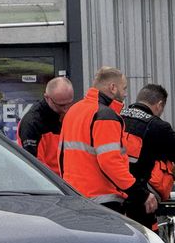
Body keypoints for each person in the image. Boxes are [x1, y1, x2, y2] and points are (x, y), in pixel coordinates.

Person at [58, 67, 157, 215]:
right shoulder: (105, 115)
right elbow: (111, 162)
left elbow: (61, 156)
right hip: (103, 201)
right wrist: (141, 193)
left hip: (75, 197)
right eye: (124, 89)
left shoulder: (74, 111)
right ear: (112, 88)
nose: (125, 94)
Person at [121, 83, 175, 229]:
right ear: (159, 104)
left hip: (115, 196)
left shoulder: (118, 117)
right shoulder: (158, 127)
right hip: (141, 199)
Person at [17, 76, 74, 175]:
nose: (66, 109)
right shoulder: (33, 124)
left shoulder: (70, 114)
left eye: (69, 104)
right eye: (61, 105)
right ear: (47, 98)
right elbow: (35, 166)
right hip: (52, 183)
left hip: (68, 181)